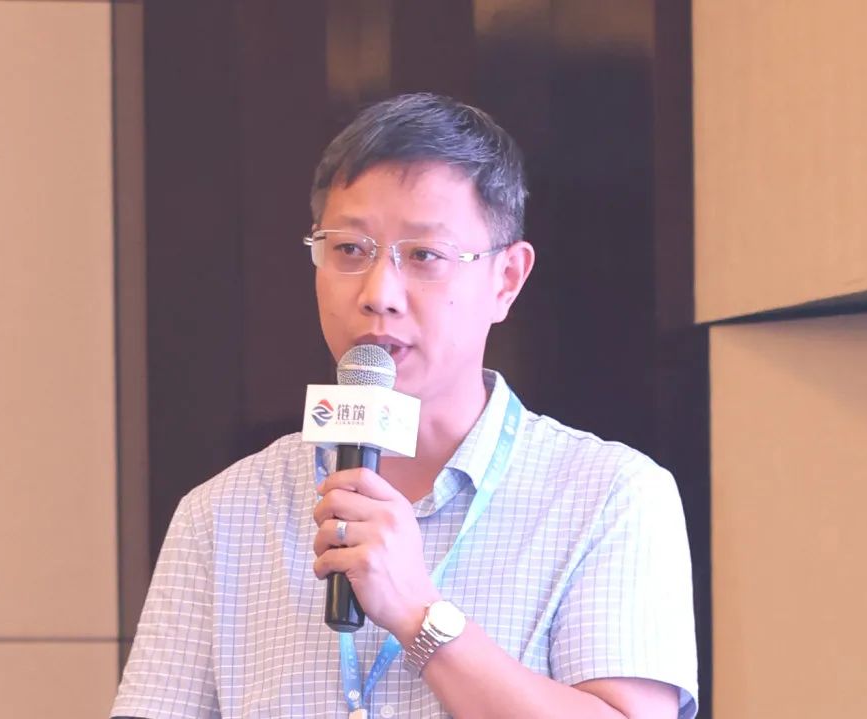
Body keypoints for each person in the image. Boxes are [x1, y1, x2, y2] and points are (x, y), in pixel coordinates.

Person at [111, 93, 698, 719]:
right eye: (349, 250)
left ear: (506, 279)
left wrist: (420, 615)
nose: (379, 293)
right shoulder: (222, 515)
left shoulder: (610, 495)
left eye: (423, 256)